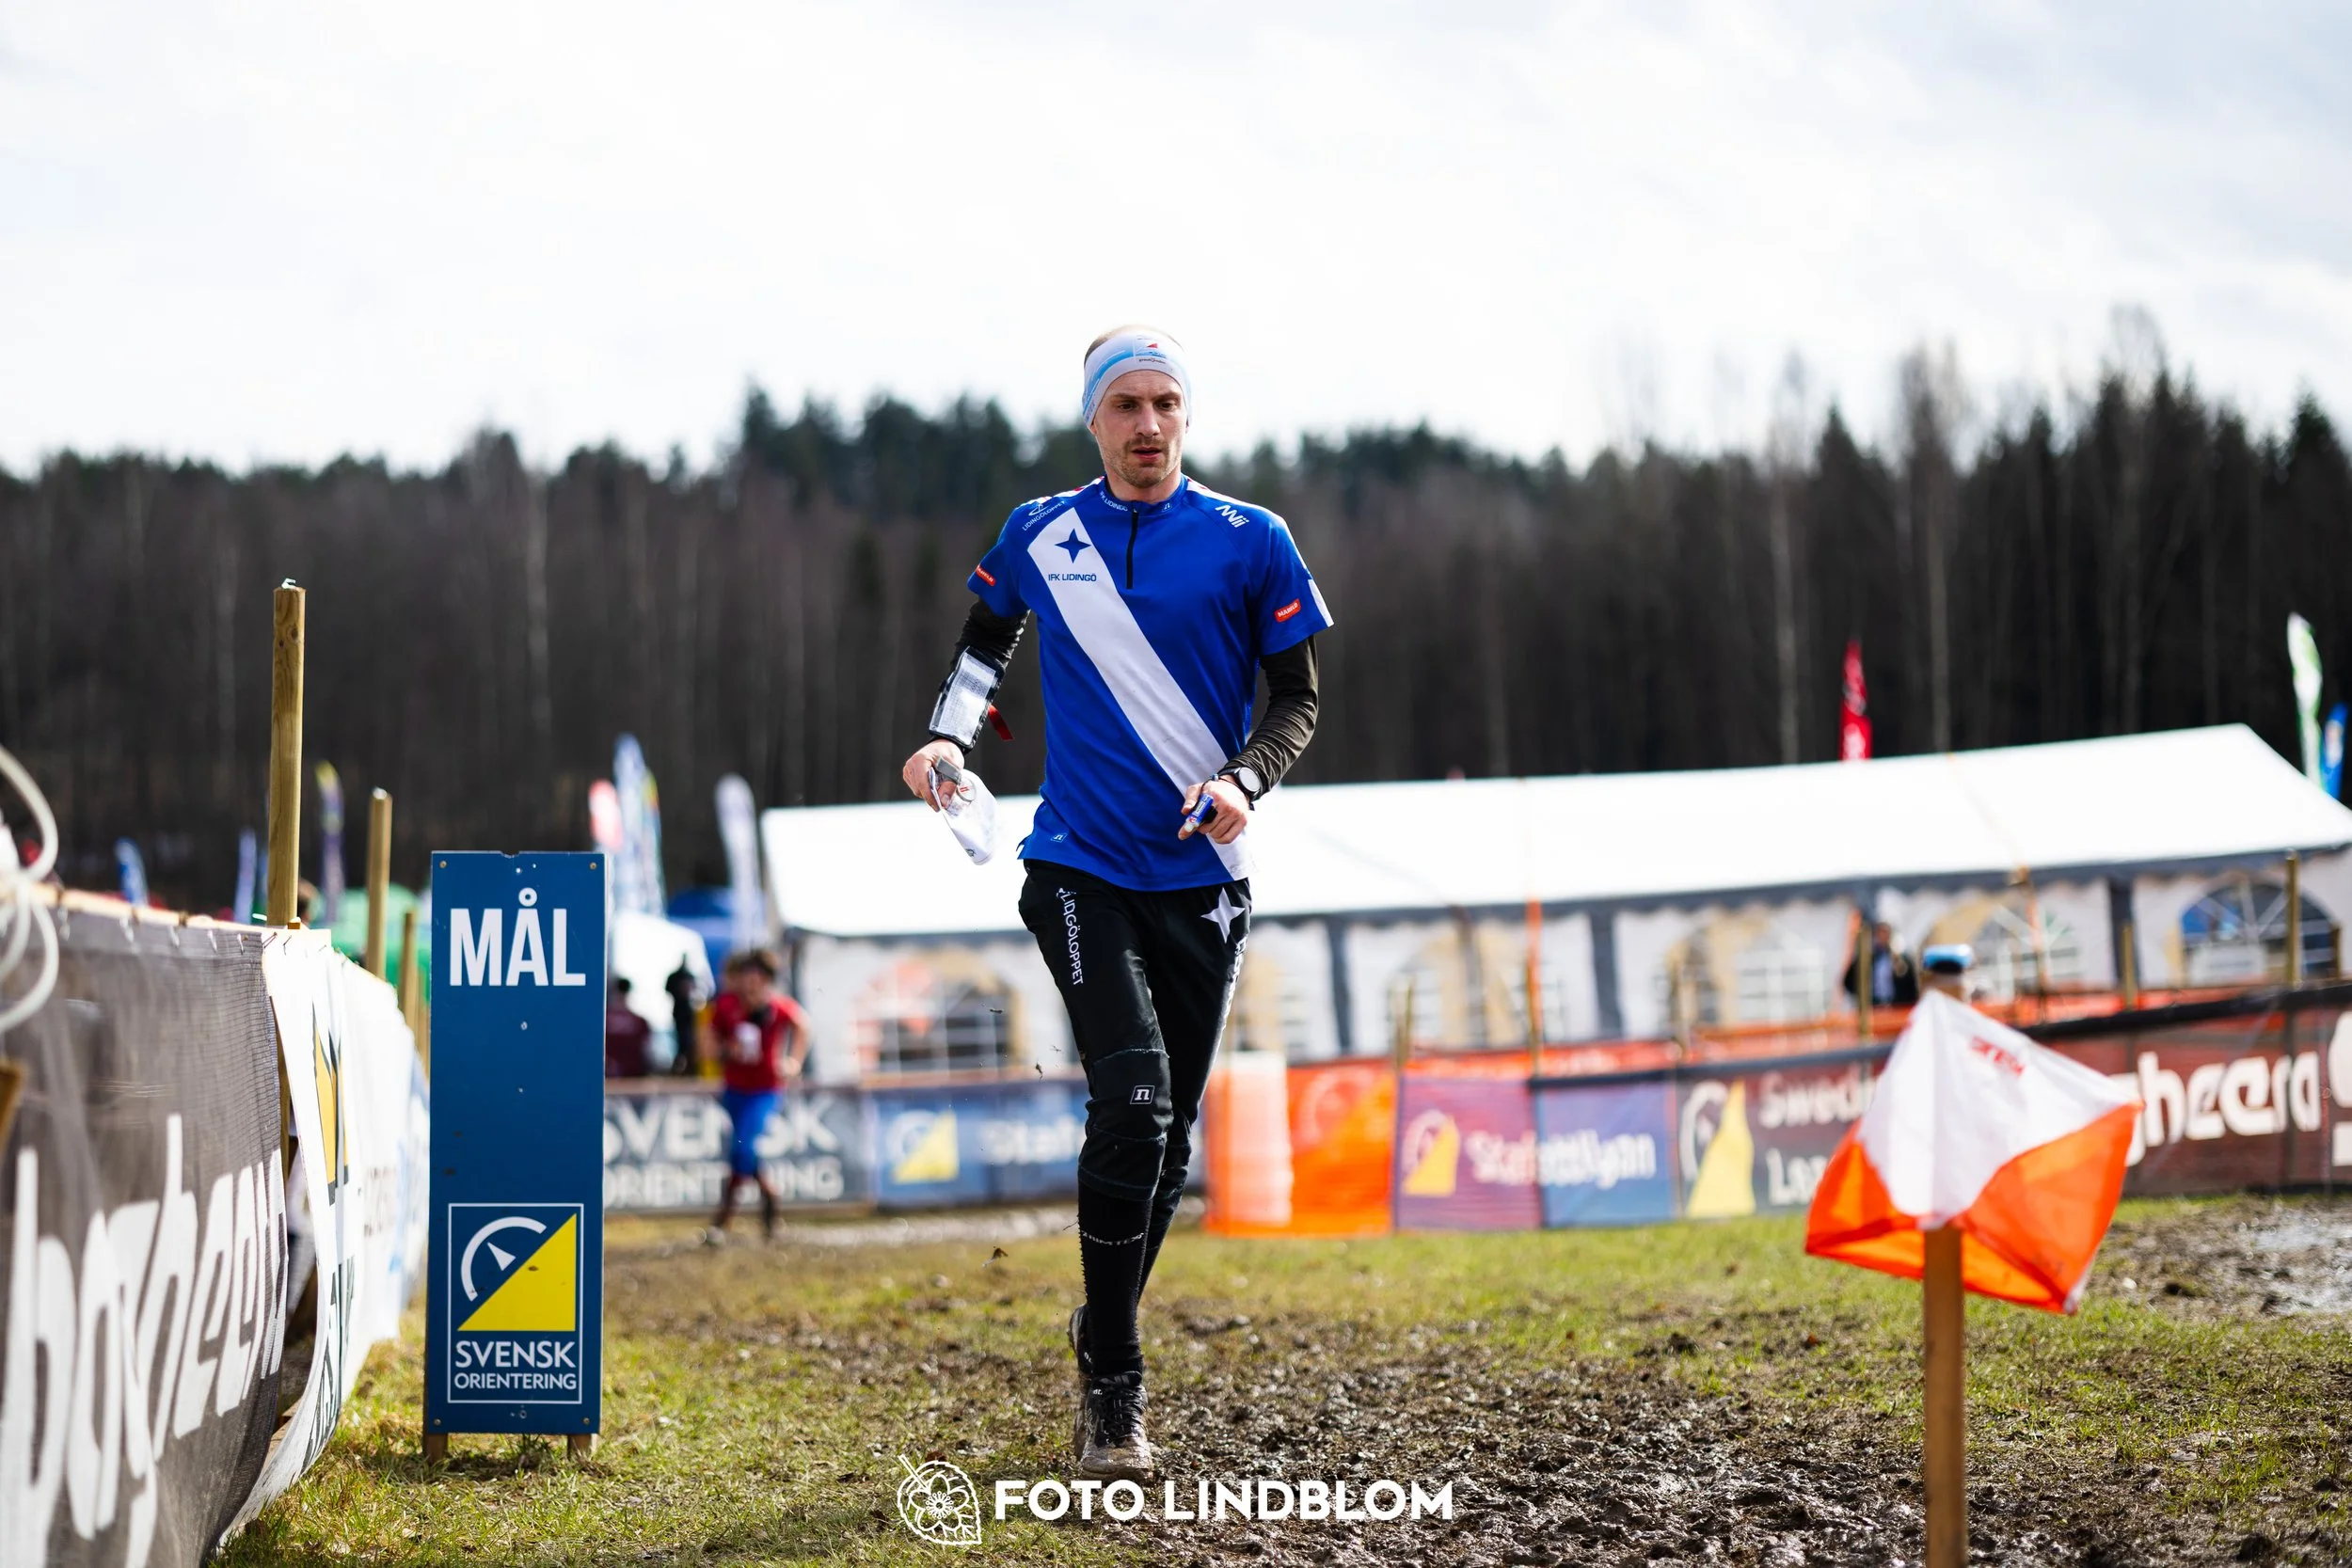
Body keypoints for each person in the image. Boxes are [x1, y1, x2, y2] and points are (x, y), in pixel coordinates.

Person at [899, 326, 1330, 1482]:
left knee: (1169, 1141)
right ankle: (1115, 1387)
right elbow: (986, 639)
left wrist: (1243, 779)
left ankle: (1100, 1325)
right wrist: (946, 732)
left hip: (1205, 878)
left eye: (1166, 403)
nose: (1148, 424)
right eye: (1126, 405)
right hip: (1079, 865)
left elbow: (1296, 698)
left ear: (1186, 415)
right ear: (1093, 420)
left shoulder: (1254, 540)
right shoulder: (1041, 531)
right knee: (1132, 1103)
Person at [701, 948, 810, 1241]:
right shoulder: (726, 1005)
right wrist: (726, 1051)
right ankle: (769, 1199)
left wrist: (793, 1061)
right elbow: (707, 1044)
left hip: (765, 1089)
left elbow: (803, 1025)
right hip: (734, 1089)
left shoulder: (777, 1006)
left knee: (742, 1149)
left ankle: (725, 1217)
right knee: (743, 1149)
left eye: (756, 977)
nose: (750, 983)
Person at [1842, 921, 1919, 1007]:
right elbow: (1848, 980)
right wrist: (1862, 996)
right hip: (1874, 1007)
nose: (1883, 936)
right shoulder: (1868, 958)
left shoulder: (1902, 959)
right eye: (1880, 933)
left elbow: (1911, 986)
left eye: (1885, 932)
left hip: (1897, 1007)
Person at [604, 977, 654, 1079]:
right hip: (631, 1078)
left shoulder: (603, 1019)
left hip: (612, 1077)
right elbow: (648, 1052)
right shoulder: (640, 1021)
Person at [665, 958, 705, 1077]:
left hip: (688, 1012)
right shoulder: (675, 977)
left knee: (689, 1039)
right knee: (679, 1040)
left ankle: (688, 1064)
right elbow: (667, 989)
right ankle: (680, 1064)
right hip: (679, 1011)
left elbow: (698, 990)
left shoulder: (690, 976)